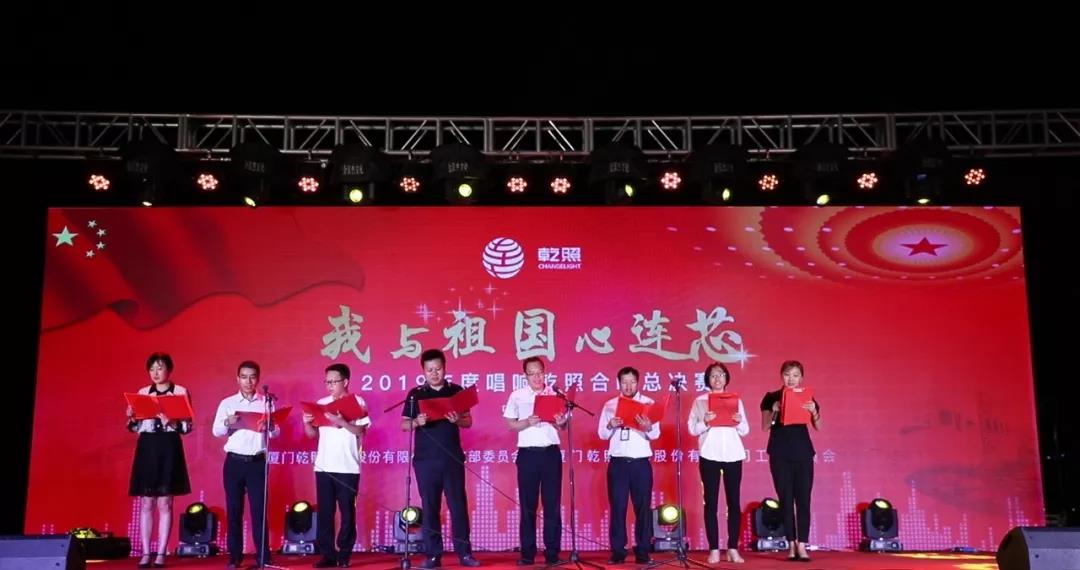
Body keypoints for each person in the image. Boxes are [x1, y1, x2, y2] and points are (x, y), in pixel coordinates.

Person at [400, 349, 481, 569]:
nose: (434, 373)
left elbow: (468, 421)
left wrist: (457, 420)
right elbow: (404, 424)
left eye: (438, 369)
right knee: (430, 507)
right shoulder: (416, 394)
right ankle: (433, 556)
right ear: (423, 371)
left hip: (452, 458)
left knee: (458, 506)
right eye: (430, 370)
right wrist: (417, 422)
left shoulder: (456, 391)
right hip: (425, 460)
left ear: (445, 368)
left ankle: (464, 554)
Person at [126, 352, 192, 569]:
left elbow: (187, 427)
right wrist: (131, 416)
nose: (155, 373)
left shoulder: (180, 392)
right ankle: (146, 552)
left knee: (165, 502)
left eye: (160, 368)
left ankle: (161, 552)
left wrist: (171, 422)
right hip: (148, 446)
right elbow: (135, 428)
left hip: (169, 446)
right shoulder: (143, 393)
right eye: (152, 369)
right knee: (146, 502)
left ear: (169, 370)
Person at [211, 360, 280, 568]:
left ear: (258, 379)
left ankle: (263, 557)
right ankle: (235, 557)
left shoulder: (266, 402)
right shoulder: (228, 403)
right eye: (244, 377)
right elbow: (216, 431)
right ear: (237, 379)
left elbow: (276, 433)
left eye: (252, 377)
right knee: (234, 510)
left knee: (259, 511)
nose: (248, 381)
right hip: (234, 462)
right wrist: (227, 422)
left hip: (257, 462)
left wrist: (270, 426)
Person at [303, 363, 371, 568]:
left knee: (347, 512)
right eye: (327, 382)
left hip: (348, 467)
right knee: (325, 512)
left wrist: (343, 423)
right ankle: (328, 554)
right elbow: (312, 435)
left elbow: (361, 431)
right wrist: (307, 422)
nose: (330, 386)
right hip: (324, 466)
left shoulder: (357, 402)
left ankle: (344, 553)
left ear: (345, 381)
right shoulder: (321, 404)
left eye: (334, 382)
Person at [502, 356, 568, 565]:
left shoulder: (556, 394)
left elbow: (563, 427)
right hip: (528, 455)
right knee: (528, 506)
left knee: (552, 505)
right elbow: (510, 425)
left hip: (550, 454)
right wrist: (527, 422)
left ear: (544, 372)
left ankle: (552, 553)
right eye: (532, 374)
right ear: (525, 376)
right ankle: (527, 554)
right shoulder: (517, 396)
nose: (537, 377)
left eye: (540, 372)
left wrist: (560, 422)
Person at [687, 362, 748, 564]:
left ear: (726, 378)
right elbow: (692, 429)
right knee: (711, 503)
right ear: (708, 379)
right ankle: (713, 548)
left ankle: (732, 548)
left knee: (734, 503)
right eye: (713, 375)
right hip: (709, 455)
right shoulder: (700, 401)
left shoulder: (735, 400)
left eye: (721, 374)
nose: (717, 378)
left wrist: (738, 421)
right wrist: (705, 421)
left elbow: (745, 429)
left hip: (733, 455)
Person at [760, 360, 821, 563]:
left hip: (803, 453)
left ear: (801, 378)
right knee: (785, 500)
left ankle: (802, 544)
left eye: (795, 375)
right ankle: (791, 544)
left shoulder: (807, 397)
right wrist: (775, 410)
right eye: (787, 374)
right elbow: (764, 426)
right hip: (780, 454)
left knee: (803, 500)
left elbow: (818, 426)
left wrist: (814, 411)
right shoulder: (771, 397)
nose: (791, 379)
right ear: (781, 376)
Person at [597, 366, 660, 564]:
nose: (628, 386)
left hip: (641, 463)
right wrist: (611, 425)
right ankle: (618, 551)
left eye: (632, 382)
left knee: (643, 508)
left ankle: (643, 551)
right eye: (624, 382)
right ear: (619, 383)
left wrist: (648, 427)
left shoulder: (648, 403)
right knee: (618, 508)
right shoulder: (610, 405)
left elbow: (656, 434)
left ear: (638, 382)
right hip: (618, 464)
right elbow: (602, 434)